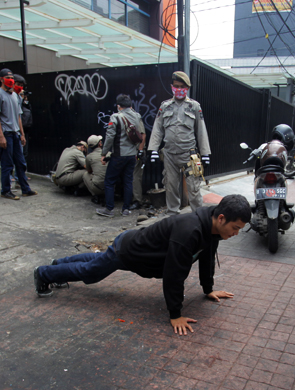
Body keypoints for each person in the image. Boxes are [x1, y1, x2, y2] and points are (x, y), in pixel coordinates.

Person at [34, 194, 251, 335]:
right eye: (235, 227)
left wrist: (208, 289)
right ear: (221, 218)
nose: (236, 233)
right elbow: (174, 273)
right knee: (91, 272)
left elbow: (206, 257)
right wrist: (175, 314)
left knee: (97, 261)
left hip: (137, 250)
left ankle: (57, 265)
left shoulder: (212, 229)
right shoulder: (190, 231)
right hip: (129, 251)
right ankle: (43, 274)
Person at [148, 71, 211, 215]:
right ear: (172, 87)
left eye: (182, 86)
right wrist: (153, 149)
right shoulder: (165, 106)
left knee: (193, 187)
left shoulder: (194, 106)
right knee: (170, 186)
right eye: (176, 86)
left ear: (187, 88)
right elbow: (157, 128)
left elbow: (201, 130)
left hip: (189, 154)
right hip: (169, 154)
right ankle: (172, 216)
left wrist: (205, 153)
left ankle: (199, 216)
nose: (179, 89)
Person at [96, 94, 142, 218]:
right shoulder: (137, 116)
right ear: (130, 105)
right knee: (128, 181)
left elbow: (110, 137)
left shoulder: (116, 117)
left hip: (119, 156)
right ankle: (126, 209)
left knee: (109, 181)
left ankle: (109, 209)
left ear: (118, 106)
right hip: (132, 156)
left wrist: (104, 153)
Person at [0, 68, 37, 200]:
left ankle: (25, 189)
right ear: (1, 79)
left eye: (11, 78)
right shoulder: (0, 94)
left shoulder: (15, 96)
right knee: (7, 164)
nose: (10, 80)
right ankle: (6, 190)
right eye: (7, 77)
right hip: (6, 134)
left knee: (20, 163)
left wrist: (22, 134)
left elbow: (19, 117)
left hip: (15, 134)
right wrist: (1, 136)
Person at [83, 135, 107, 204]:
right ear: (99, 144)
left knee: (85, 174)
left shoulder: (89, 157)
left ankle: (95, 195)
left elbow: (89, 171)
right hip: (110, 187)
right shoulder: (109, 154)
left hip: (97, 188)